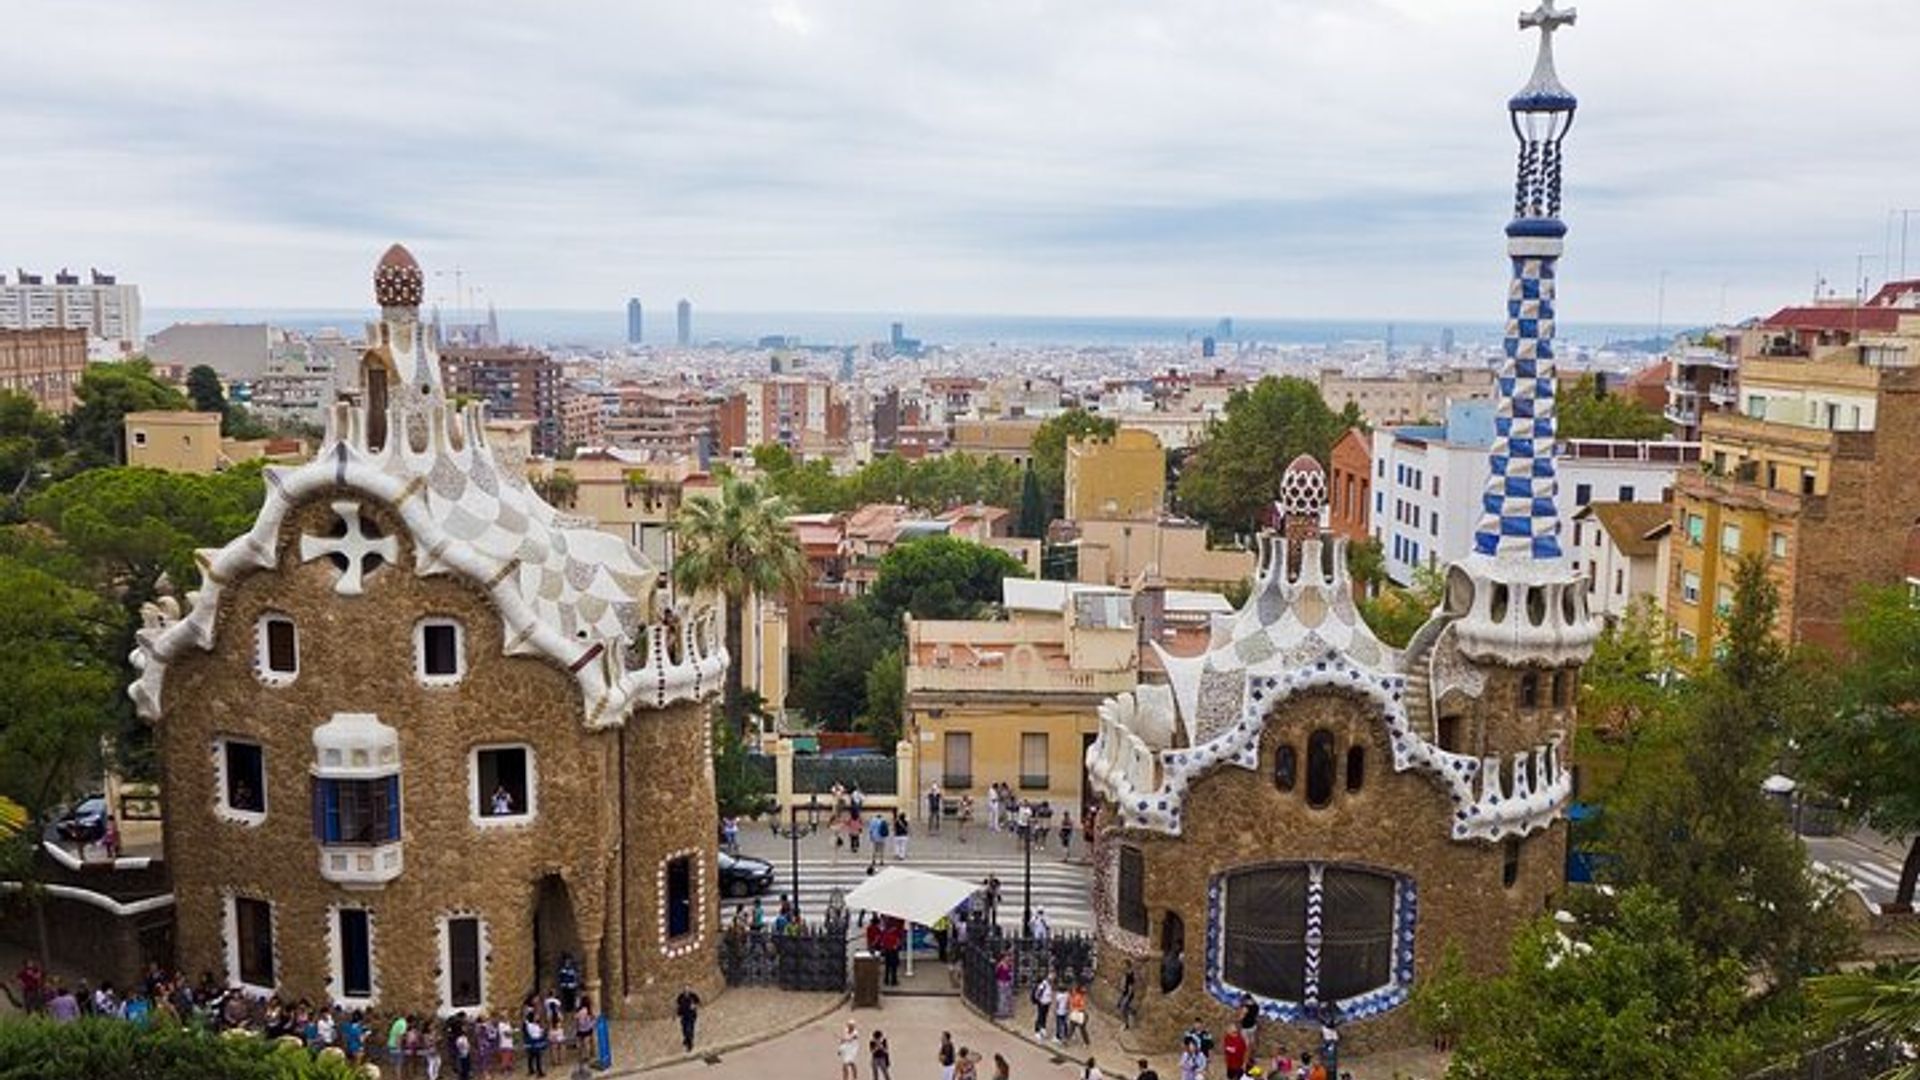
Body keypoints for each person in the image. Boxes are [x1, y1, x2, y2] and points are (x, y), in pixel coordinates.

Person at [675, 985, 700, 1052]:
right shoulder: (681, 996)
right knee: (684, 1029)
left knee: (689, 1030)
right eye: (685, 990)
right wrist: (676, 1014)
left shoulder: (693, 996)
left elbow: (698, 1002)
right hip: (684, 1016)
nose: (686, 991)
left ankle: (690, 1044)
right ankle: (686, 1039)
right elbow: (678, 1005)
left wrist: (694, 1006)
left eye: (687, 990)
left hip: (691, 1016)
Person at [523, 1010, 548, 1077]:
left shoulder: (532, 1024)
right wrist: (542, 1032)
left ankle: (531, 1070)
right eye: (536, 1016)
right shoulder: (530, 1025)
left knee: (531, 1057)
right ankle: (539, 1072)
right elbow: (536, 1033)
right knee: (537, 1057)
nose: (537, 1017)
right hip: (535, 1042)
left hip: (532, 1043)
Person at [1030, 972, 1054, 1041]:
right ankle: (1037, 1031)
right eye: (1051, 978)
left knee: (1044, 1016)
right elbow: (1038, 994)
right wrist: (1039, 1001)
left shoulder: (1050, 984)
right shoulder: (1043, 984)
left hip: (1047, 1003)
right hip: (1042, 1003)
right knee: (1040, 1016)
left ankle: (1043, 1028)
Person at [1238, 994, 1260, 1060]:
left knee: (1246, 1045)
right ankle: (1253, 1057)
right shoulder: (1256, 1006)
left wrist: (1238, 1017)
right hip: (1253, 1026)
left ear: (1246, 1000)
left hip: (1245, 1028)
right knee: (1253, 1043)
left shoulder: (1245, 1007)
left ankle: (1245, 1058)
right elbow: (1256, 1016)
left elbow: (1241, 1018)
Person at [1117, 961, 1139, 1030]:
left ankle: (1125, 1024)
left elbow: (1131, 986)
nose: (1122, 966)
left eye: (1123, 965)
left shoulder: (1130, 975)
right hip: (1124, 993)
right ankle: (1132, 1011)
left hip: (1128, 994)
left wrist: (1128, 996)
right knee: (1119, 1005)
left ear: (1127, 966)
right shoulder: (1126, 973)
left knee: (1122, 1008)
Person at [993, 951, 1015, 1019]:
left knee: (1008, 997)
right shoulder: (1000, 965)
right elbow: (996, 973)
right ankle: (1002, 1012)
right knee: (1002, 997)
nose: (1008, 958)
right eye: (1006, 957)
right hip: (1001, 982)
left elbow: (1010, 974)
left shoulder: (1009, 965)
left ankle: (1007, 1012)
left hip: (1007, 982)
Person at [1052, 976, 1071, 1042]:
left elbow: (1057, 1004)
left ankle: (1058, 1036)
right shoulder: (1067, 995)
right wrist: (1068, 1009)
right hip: (1065, 1011)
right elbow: (1068, 1003)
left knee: (1058, 1024)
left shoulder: (1058, 995)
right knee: (1065, 1023)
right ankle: (1065, 1035)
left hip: (1059, 1011)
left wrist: (1055, 1010)